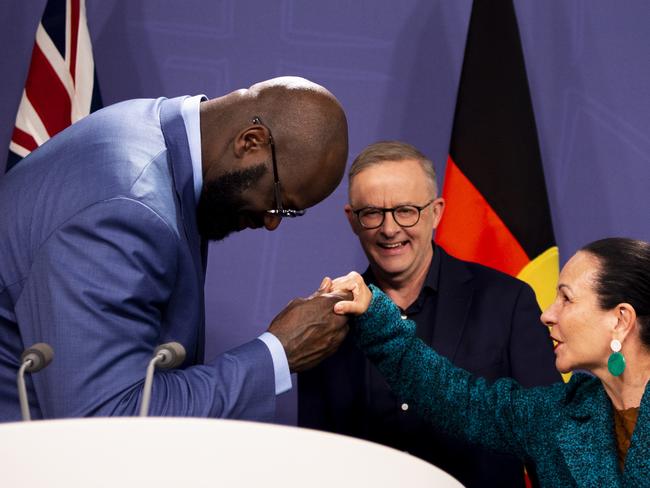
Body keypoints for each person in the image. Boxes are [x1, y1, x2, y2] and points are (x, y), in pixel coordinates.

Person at [0, 76, 350, 421]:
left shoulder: (155, 134)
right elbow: (105, 421)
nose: (272, 223)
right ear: (250, 142)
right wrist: (278, 353)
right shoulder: (129, 206)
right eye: (277, 201)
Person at [298, 141, 560, 487]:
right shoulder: (327, 317)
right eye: (373, 213)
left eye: (406, 210)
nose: (389, 229)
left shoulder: (507, 302)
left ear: (436, 212)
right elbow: (316, 458)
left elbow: (547, 438)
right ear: (352, 220)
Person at [329, 237, 650, 486]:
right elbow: (454, 397)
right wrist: (374, 311)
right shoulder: (558, 414)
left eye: (566, 298)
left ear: (621, 319)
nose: (547, 314)